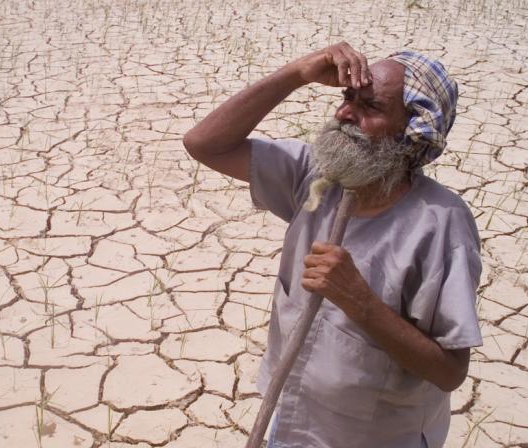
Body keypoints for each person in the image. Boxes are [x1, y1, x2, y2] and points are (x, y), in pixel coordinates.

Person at [182, 42, 483, 448]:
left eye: (370, 107)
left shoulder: (441, 224)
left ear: (412, 132)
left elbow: (449, 371)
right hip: (288, 419)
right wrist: (296, 73)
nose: (344, 115)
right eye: (347, 98)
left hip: (374, 438)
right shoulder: (313, 175)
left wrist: (360, 301)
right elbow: (204, 143)